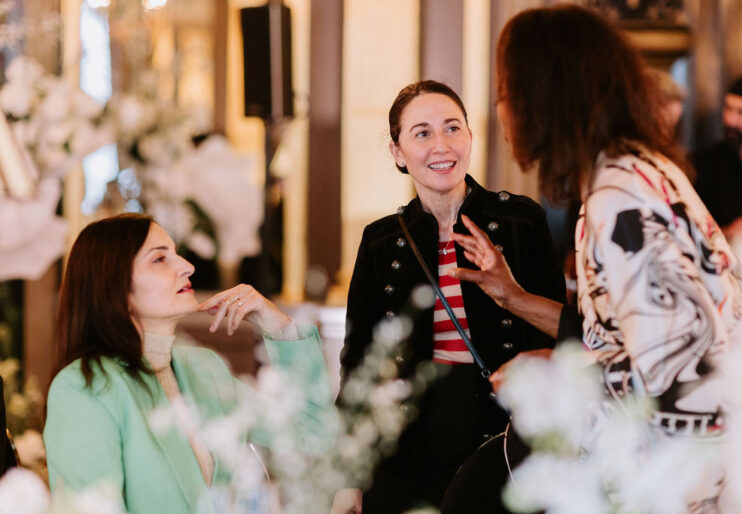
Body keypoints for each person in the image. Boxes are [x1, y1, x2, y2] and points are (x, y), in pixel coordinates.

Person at [450, 5, 742, 509]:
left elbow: (687, 372)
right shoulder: (630, 171)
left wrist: (561, 372)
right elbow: (630, 334)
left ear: (546, 99)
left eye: (506, 93)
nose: (500, 110)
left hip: (686, 480)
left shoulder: (619, 196)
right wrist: (514, 298)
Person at [340, 80, 565, 513]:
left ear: (470, 137)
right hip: (406, 444)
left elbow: (556, 336)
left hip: (502, 432)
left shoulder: (520, 221)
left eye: (452, 128)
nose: (441, 145)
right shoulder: (381, 240)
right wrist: (349, 475)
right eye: (422, 133)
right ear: (397, 152)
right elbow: (358, 364)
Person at [43, 214, 333, 514]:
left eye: (176, 253)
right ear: (114, 286)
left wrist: (277, 325)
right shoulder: (84, 388)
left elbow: (313, 433)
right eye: (159, 259)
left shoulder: (202, 368)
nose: (187, 266)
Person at [694, 73, 742, 240]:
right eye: (728, 108)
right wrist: (726, 232)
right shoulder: (703, 164)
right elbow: (687, 231)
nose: (731, 120)